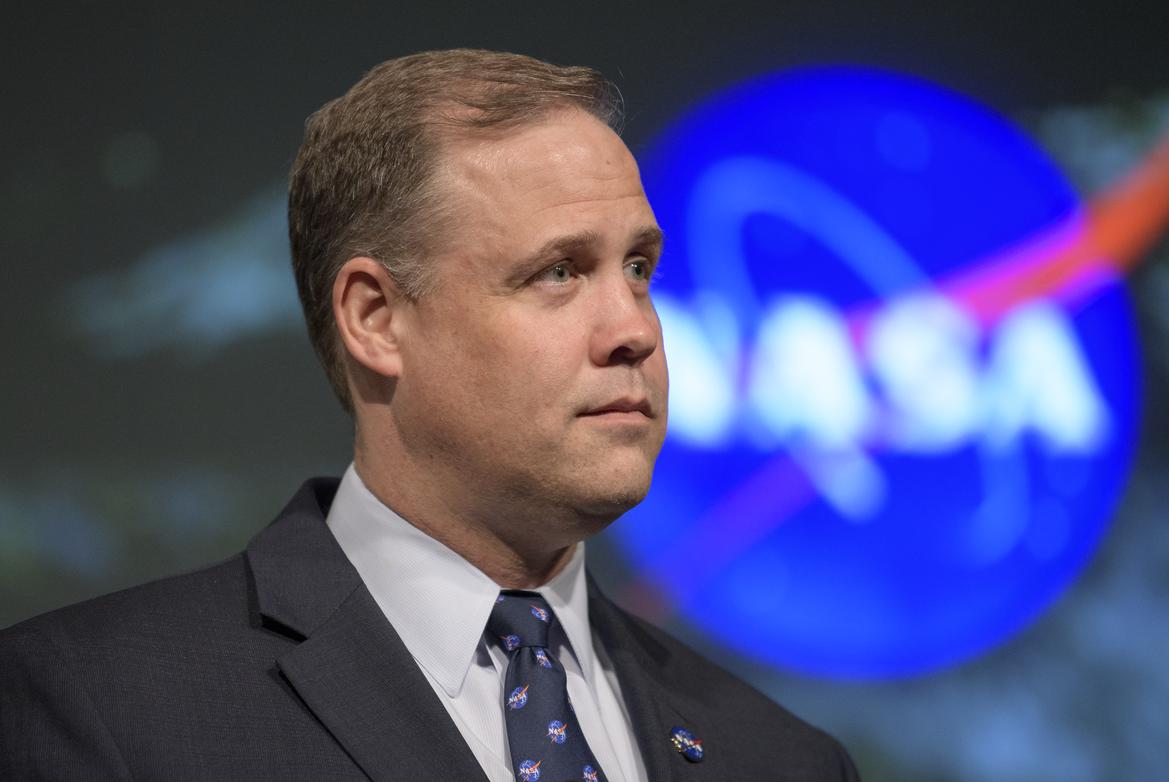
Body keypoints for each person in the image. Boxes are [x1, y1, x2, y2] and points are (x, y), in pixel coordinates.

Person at [0, 49, 859, 781]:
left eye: (638, 269)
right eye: (559, 272)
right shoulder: (98, 704)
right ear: (375, 318)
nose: (635, 330)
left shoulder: (784, 759)